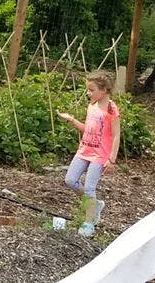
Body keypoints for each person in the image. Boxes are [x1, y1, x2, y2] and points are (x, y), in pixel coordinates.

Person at [57, 70, 121, 238]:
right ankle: (95, 204)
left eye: (92, 90)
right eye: (88, 89)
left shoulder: (111, 109)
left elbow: (116, 135)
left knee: (90, 188)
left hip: (100, 155)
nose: (88, 93)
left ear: (105, 90)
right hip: (84, 150)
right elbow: (88, 129)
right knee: (70, 180)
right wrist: (71, 120)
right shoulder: (91, 105)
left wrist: (112, 159)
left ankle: (89, 223)